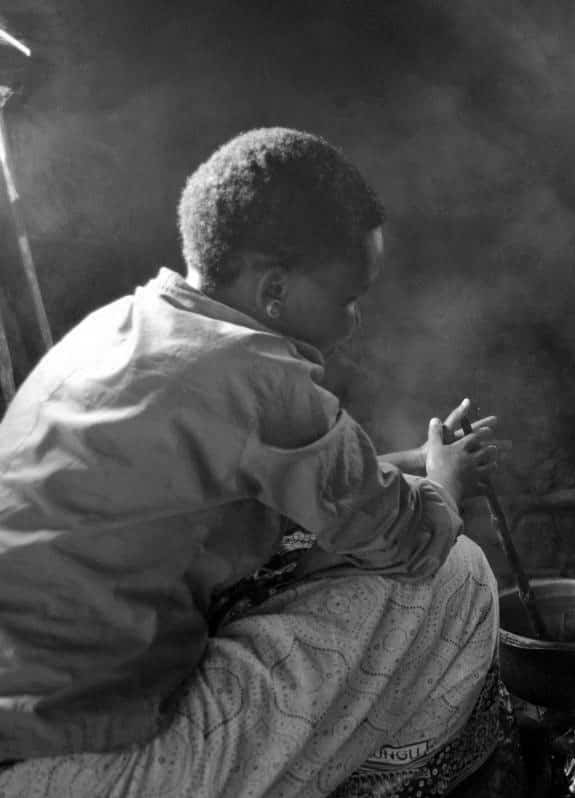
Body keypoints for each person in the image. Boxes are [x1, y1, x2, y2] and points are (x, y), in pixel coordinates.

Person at [0, 128, 509, 797]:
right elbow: (410, 544)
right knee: (456, 575)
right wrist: (444, 484)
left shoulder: (119, 329)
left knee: (308, 560)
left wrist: (414, 460)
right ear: (274, 289)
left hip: (21, 726)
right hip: (96, 769)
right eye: (348, 297)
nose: (353, 321)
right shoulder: (260, 374)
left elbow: (265, 483)